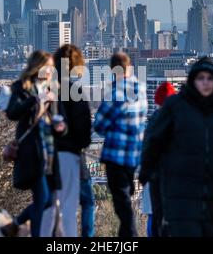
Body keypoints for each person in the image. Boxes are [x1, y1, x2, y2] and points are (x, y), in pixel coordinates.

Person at [141, 57, 213, 237]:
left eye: (210, 78)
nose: (205, 83)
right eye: (200, 78)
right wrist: (148, 170)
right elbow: (154, 141)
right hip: (182, 193)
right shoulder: (177, 106)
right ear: (192, 81)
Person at [0, 50, 67, 237]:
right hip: (32, 153)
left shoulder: (52, 89)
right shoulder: (22, 87)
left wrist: (61, 126)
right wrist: (34, 100)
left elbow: (60, 119)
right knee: (43, 199)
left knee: (48, 202)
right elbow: (13, 113)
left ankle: (15, 223)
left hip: (50, 153)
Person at [94, 52, 147, 237]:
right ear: (129, 67)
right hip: (134, 155)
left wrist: (112, 126)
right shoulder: (140, 90)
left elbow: (99, 125)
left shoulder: (114, 93)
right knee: (126, 198)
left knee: (122, 204)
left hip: (116, 155)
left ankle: (130, 237)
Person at [41, 44, 92, 237]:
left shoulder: (47, 89)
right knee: (69, 209)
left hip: (47, 156)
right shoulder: (74, 91)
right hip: (68, 155)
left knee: (49, 207)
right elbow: (84, 131)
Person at [140, 82, 177, 237]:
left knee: (155, 217)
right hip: (168, 178)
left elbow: (146, 150)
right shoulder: (177, 121)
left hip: (154, 177)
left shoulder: (153, 122)